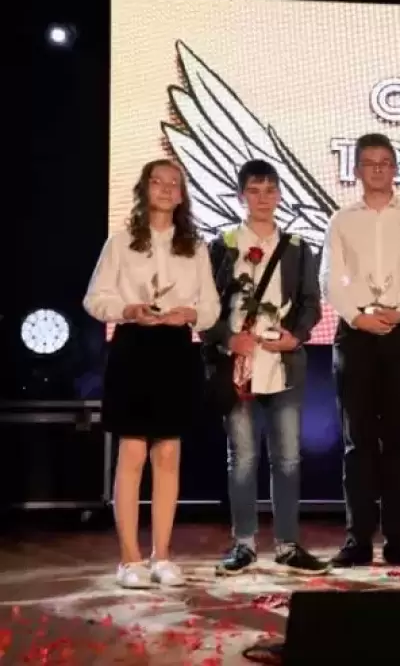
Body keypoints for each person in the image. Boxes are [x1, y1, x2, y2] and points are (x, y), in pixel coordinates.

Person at [84, 159, 219, 588]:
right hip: (133, 347)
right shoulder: (121, 242)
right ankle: (130, 559)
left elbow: (211, 307)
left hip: (175, 350)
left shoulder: (194, 247)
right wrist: (128, 309)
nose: (165, 189)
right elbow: (94, 299)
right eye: (157, 182)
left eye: (172, 183)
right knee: (132, 453)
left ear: (181, 195)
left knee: (168, 454)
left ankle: (162, 555)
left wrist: (189, 314)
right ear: (144, 190)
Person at [202, 160, 328, 576]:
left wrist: (297, 335)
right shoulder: (221, 245)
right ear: (241, 195)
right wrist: (226, 338)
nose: (263, 198)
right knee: (241, 458)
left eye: (270, 190)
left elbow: (311, 302)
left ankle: (288, 544)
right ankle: (243, 544)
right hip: (236, 365)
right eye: (254, 191)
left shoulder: (297, 247)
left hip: (283, 363)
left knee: (287, 458)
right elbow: (203, 307)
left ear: (279, 196)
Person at [322, 133, 400, 568]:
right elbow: (330, 279)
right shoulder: (341, 220)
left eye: (385, 162)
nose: (377, 169)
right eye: (369, 163)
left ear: (395, 168)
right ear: (356, 170)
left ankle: (396, 539)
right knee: (357, 443)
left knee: (397, 441)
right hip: (355, 335)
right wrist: (358, 316)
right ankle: (357, 539)